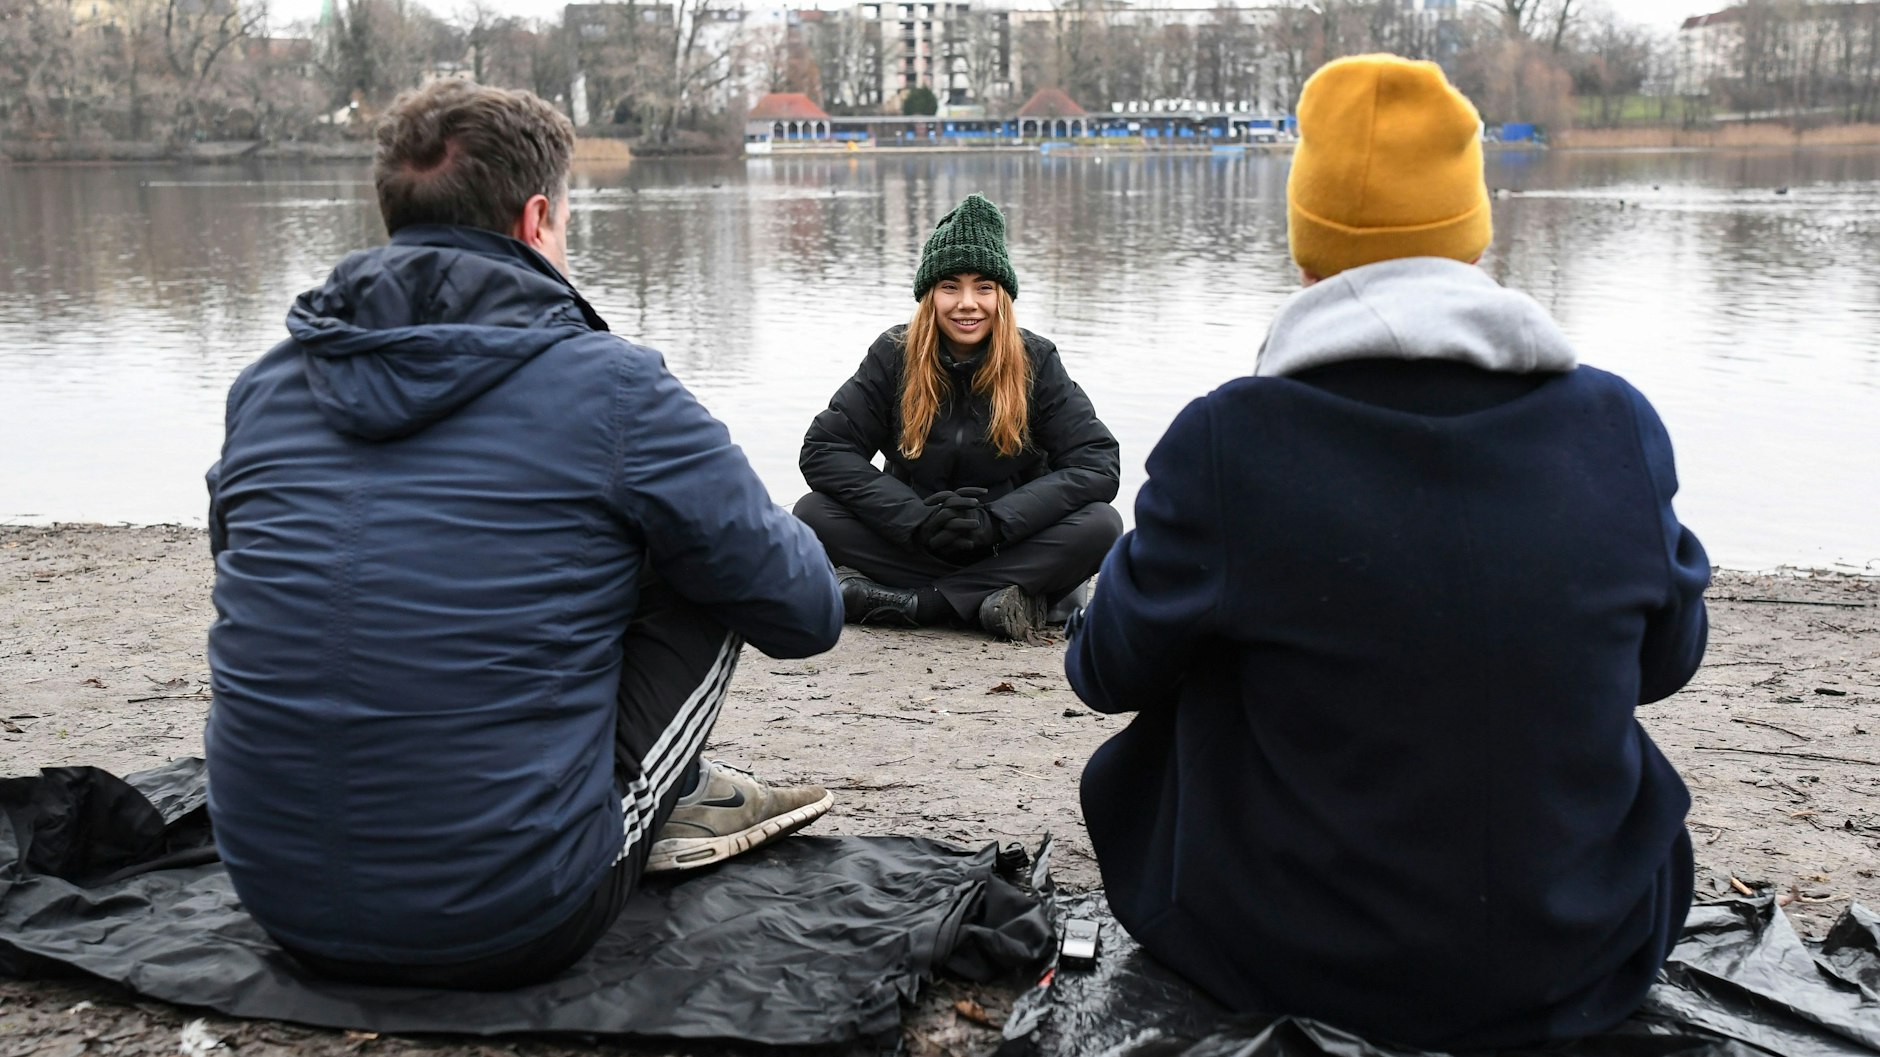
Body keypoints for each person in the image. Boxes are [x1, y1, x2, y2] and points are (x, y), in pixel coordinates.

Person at [1066, 55, 1709, 1050]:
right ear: (1472, 233)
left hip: (1292, 959)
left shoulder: (1230, 441)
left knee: (1200, 651)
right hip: (1585, 953)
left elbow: (1103, 670)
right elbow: (1665, 661)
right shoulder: (1614, 423)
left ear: (1307, 248)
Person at [203, 80, 843, 990]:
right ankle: (669, 794)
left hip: (276, 897)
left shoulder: (266, 383)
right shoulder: (614, 388)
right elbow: (805, 610)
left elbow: (237, 567)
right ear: (538, 217)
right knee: (711, 556)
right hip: (513, 913)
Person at [795, 193, 1122, 641]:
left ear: (1001, 296)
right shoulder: (893, 355)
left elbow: (1097, 462)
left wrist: (999, 521)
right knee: (812, 511)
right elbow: (824, 450)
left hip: (1008, 545)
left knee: (1102, 524)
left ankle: (919, 602)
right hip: (914, 542)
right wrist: (914, 519)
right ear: (930, 295)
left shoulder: (1036, 360)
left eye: (983, 287)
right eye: (951, 286)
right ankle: (996, 600)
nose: (967, 303)